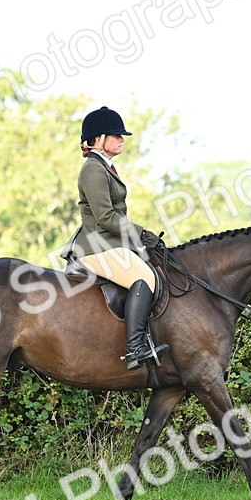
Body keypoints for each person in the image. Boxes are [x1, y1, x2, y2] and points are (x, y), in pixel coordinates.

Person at [60, 106, 168, 369]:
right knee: (144, 278)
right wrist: (141, 234)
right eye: (115, 135)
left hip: (112, 243)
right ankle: (134, 350)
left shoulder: (105, 167)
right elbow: (106, 216)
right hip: (96, 246)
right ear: (97, 139)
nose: (122, 139)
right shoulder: (93, 169)